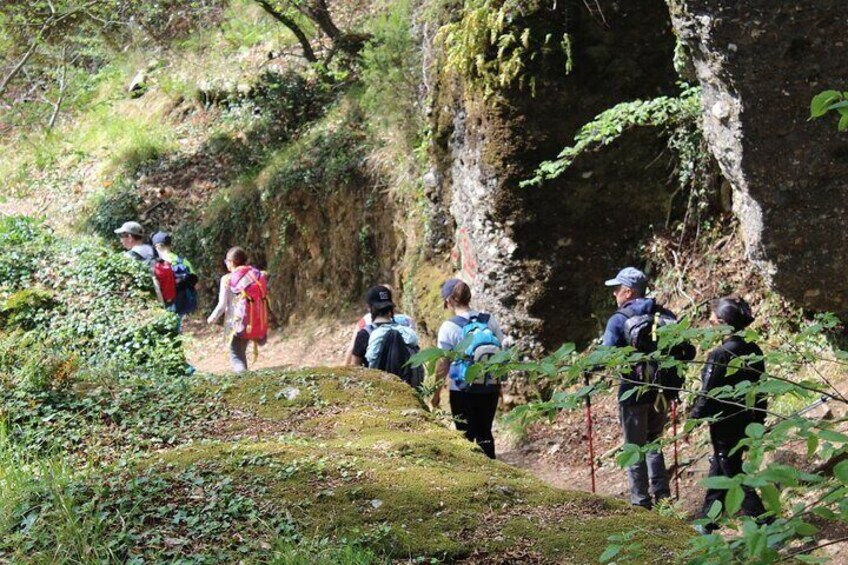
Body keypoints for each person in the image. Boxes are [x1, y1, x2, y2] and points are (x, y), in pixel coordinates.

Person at [690, 296, 769, 532]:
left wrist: (693, 418)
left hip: (724, 423)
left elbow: (708, 393)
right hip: (747, 420)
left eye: (713, 319)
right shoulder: (753, 349)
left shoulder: (720, 354)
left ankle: (765, 522)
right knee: (721, 467)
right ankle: (707, 522)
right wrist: (759, 419)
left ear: (723, 322)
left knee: (732, 472)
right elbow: (761, 390)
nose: (710, 321)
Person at [602, 266, 675, 509]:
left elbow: (605, 356)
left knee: (635, 447)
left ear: (628, 292)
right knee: (654, 442)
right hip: (661, 391)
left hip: (632, 392)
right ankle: (663, 498)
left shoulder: (618, 320)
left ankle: (641, 502)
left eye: (617, 290)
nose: (614, 295)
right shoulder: (664, 314)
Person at [432, 278, 505, 459]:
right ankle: (495, 477)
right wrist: (499, 384)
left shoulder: (449, 327)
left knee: (464, 436)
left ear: (449, 301)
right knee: (485, 433)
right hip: (489, 388)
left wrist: (436, 393)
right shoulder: (490, 321)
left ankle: (472, 478)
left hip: (462, 391)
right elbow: (500, 354)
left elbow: (443, 364)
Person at [207, 247, 268, 374]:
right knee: (241, 351)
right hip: (252, 321)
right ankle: (245, 377)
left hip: (236, 324)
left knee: (236, 354)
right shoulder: (256, 275)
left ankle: (244, 381)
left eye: (226, 261)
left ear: (231, 262)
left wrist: (212, 318)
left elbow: (222, 305)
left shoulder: (227, 279)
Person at [348, 285, 419, 369]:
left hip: (377, 381)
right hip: (404, 382)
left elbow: (354, 369)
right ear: (390, 308)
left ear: (369, 308)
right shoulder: (405, 332)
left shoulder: (364, 334)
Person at [152, 231, 198, 331]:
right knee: (177, 324)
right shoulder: (182, 260)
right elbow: (194, 279)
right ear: (170, 245)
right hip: (182, 300)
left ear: (157, 247)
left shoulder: (156, 263)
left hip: (165, 301)